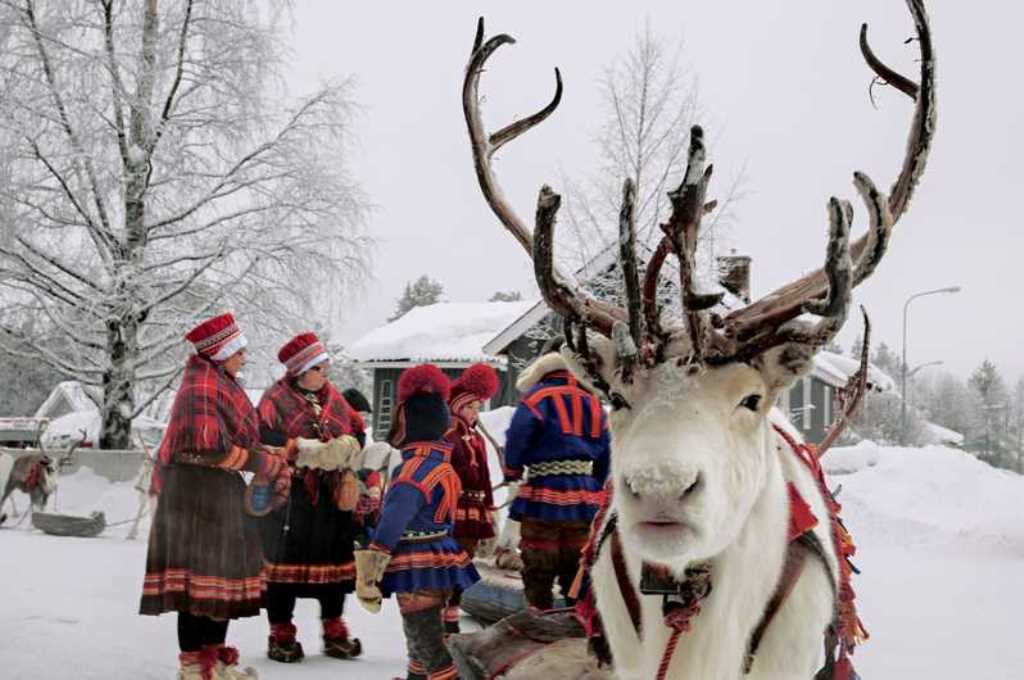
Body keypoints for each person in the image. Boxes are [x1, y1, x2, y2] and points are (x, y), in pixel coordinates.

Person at [141, 313, 291, 680]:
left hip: (218, 493)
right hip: (195, 496)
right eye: (239, 351)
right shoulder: (201, 386)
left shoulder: (221, 382)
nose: (244, 357)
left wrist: (271, 455)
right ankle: (194, 667)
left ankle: (214, 661)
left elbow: (239, 439)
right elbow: (207, 448)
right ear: (220, 352)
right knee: (197, 583)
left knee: (221, 583)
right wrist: (262, 462)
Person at [354, 364, 480, 680]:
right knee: (426, 632)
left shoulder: (412, 471)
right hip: (442, 556)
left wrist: (374, 558)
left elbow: (395, 518)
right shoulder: (443, 467)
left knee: (425, 638)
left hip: (416, 562)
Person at [255, 332, 365, 663]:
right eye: (318, 368)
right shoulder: (275, 399)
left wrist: (348, 446)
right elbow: (261, 436)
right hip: (291, 495)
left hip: (330, 496)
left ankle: (334, 629)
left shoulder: (334, 398)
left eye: (325, 367)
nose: (324, 373)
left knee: (334, 563)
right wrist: (304, 450)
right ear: (300, 371)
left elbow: (356, 430)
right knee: (284, 567)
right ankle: (281, 633)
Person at [503, 342, 610, 611]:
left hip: (543, 492)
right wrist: (595, 483)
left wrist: (513, 471)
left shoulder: (536, 398)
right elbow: (608, 448)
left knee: (539, 560)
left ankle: (539, 614)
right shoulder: (593, 401)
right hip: (583, 496)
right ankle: (577, 615)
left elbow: (518, 435)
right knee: (578, 561)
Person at [442, 362, 500, 633]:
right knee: (453, 562)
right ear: (456, 407)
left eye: (477, 408)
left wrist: (489, 505)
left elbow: (485, 474)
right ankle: (446, 618)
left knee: (466, 559)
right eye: (470, 407)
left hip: (475, 508)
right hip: (455, 508)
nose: (475, 413)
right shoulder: (448, 436)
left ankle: (451, 613)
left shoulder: (476, 438)